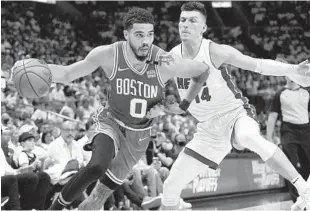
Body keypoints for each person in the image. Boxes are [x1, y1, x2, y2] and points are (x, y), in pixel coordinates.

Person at [12, 7, 210, 210]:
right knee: (96, 166)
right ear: (126, 35)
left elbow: (203, 72)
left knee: (95, 201)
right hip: (112, 122)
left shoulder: (165, 61)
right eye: (139, 35)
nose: (146, 41)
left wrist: (182, 107)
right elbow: (67, 73)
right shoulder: (108, 55)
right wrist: (35, 68)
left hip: (139, 136)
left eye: (150, 34)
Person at [157, 2, 310, 210]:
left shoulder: (215, 51)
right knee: (170, 187)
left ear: (203, 27)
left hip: (235, 114)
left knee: (248, 137)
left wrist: (292, 69)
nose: (185, 24)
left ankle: (304, 189)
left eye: (192, 20)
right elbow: (151, 85)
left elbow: (258, 65)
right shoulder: (171, 58)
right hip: (207, 130)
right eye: (182, 20)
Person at [267, 62, 310, 210]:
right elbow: (272, 116)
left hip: (306, 130)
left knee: (307, 165)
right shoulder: (280, 94)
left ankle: (306, 195)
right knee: (290, 165)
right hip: (288, 130)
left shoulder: (307, 92)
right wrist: (269, 139)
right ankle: (296, 201)